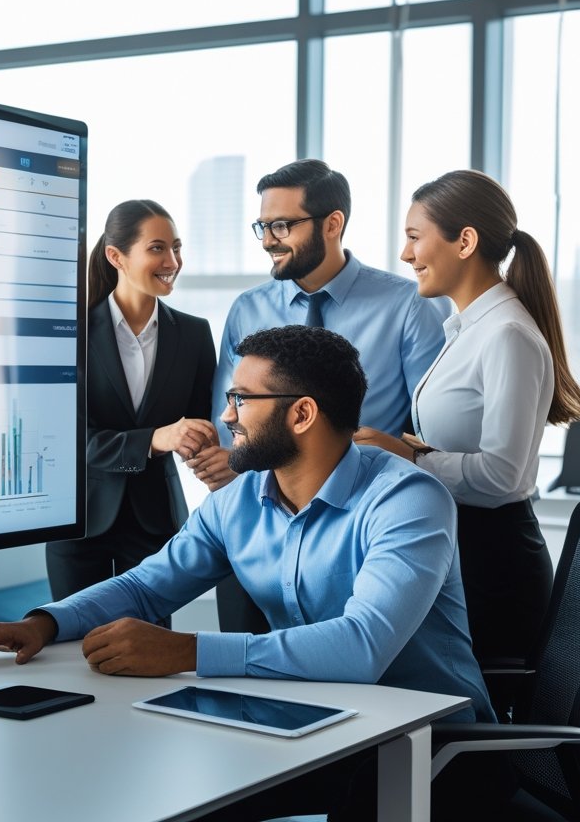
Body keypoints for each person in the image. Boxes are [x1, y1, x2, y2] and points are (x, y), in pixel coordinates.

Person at [0, 325, 497, 819]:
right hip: (317, 722)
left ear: (301, 414)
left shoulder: (408, 500)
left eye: (241, 398)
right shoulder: (240, 502)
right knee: (163, 790)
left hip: (431, 748)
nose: (227, 415)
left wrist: (187, 652)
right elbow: (146, 587)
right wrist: (46, 623)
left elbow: (361, 647)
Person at [354, 169, 580, 719]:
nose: (404, 252)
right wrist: (418, 448)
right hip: (466, 552)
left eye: (416, 236)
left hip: (494, 566)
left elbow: (505, 477)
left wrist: (412, 455)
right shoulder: (466, 328)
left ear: (465, 241)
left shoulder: (506, 333)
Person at [188, 159, 448, 633]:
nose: (268, 239)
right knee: (242, 677)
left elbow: (434, 427)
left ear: (333, 224)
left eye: (282, 225)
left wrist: (399, 453)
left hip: (357, 527)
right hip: (259, 523)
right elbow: (231, 415)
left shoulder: (407, 305)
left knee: (339, 661)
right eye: (263, 226)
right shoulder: (248, 308)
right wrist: (230, 459)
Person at [44, 199, 215, 608]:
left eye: (176, 247)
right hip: (79, 521)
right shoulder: (70, 334)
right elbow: (66, 441)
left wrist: (204, 448)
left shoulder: (193, 335)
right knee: (72, 646)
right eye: (157, 248)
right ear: (115, 256)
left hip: (157, 522)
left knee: (148, 649)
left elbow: (200, 424)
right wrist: (154, 439)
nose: (172, 260)